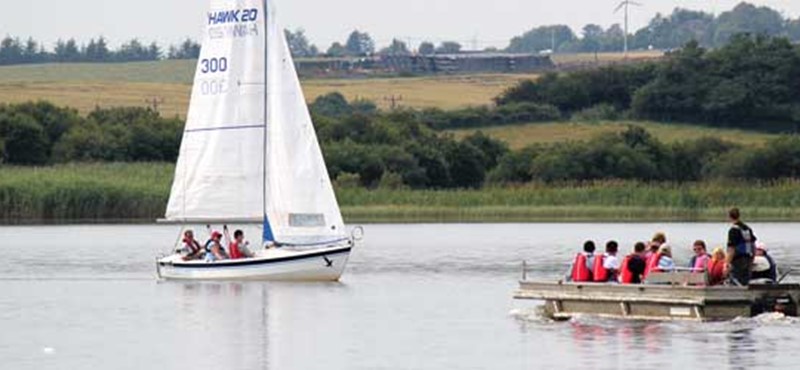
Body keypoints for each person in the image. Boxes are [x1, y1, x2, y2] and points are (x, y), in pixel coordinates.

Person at [726, 207, 756, 285]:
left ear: (729, 217)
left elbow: (731, 249)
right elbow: (753, 246)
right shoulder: (748, 228)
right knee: (746, 281)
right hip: (748, 258)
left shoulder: (733, 230)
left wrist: (726, 264)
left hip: (738, 260)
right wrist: (752, 259)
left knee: (736, 281)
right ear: (739, 215)